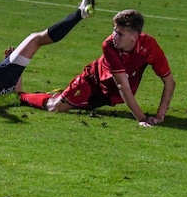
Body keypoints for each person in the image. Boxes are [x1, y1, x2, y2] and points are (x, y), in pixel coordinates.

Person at [19, 9, 175, 127]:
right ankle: (21, 96)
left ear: (134, 36)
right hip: (92, 82)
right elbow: (122, 84)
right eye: (114, 31)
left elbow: (169, 82)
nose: (114, 36)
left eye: (120, 33)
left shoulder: (149, 47)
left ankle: (60, 95)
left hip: (112, 93)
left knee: (81, 106)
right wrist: (142, 119)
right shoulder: (109, 45)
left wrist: (160, 116)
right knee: (55, 107)